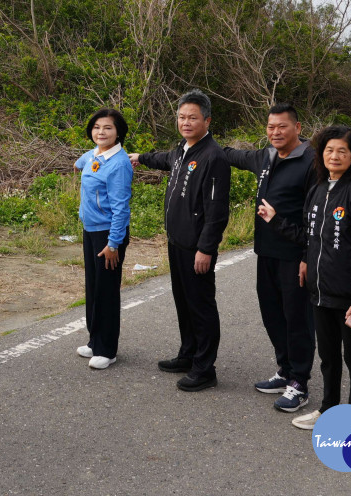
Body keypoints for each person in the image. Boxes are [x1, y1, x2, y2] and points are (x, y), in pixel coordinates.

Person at [258, 125, 351, 431]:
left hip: (350, 297)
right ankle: (328, 411)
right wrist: (277, 224)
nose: (335, 156)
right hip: (319, 291)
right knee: (328, 359)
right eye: (329, 150)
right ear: (321, 155)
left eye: (342, 151)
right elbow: (308, 236)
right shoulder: (317, 191)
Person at [129, 90, 231, 392]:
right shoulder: (183, 150)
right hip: (177, 242)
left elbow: (217, 211)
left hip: (196, 247)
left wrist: (206, 248)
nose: (186, 122)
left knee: (200, 306)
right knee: (183, 303)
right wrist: (140, 157)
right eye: (182, 117)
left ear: (207, 120)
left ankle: (205, 368)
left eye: (193, 118)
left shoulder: (213, 157)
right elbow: (165, 159)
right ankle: (188, 355)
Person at [223, 103, 316, 413]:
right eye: (270, 127)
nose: (275, 132)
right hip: (267, 253)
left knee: (297, 320)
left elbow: (315, 217)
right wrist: (198, 142)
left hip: (295, 256)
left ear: (298, 128)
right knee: (273, 315)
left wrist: (307, 256)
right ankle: (285, 370)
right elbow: (231, 155)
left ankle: (300, 383)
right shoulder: (266, 156)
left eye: (282, 127)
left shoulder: (311, 163)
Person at [73, 108, 133, 371]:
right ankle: (94, 340)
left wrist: (113, 243)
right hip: (91, 230)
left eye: (107, 128)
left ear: (118, 131)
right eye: (97, 127)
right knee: (93, 287)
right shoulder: (94, 155)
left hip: (108, 234)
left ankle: (107, 349)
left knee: (107, 291)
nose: (101, 132)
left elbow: (122, 208)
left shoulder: (119, 163)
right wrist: (82, 164)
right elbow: (80, 163)